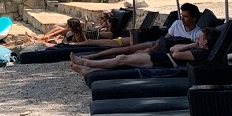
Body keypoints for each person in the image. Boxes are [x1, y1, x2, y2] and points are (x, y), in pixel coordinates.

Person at [69, 26, 212, 75]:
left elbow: (176, 54)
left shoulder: (201, 53)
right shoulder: (197, 48)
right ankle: (90, 71)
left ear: (205, 41)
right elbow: (174, 48)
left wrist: (192, 46)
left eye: (201, 38)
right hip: (160, 57)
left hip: (161, 62)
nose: (198, 38)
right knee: (123, 63)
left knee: (121, 59)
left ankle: (87, 62)